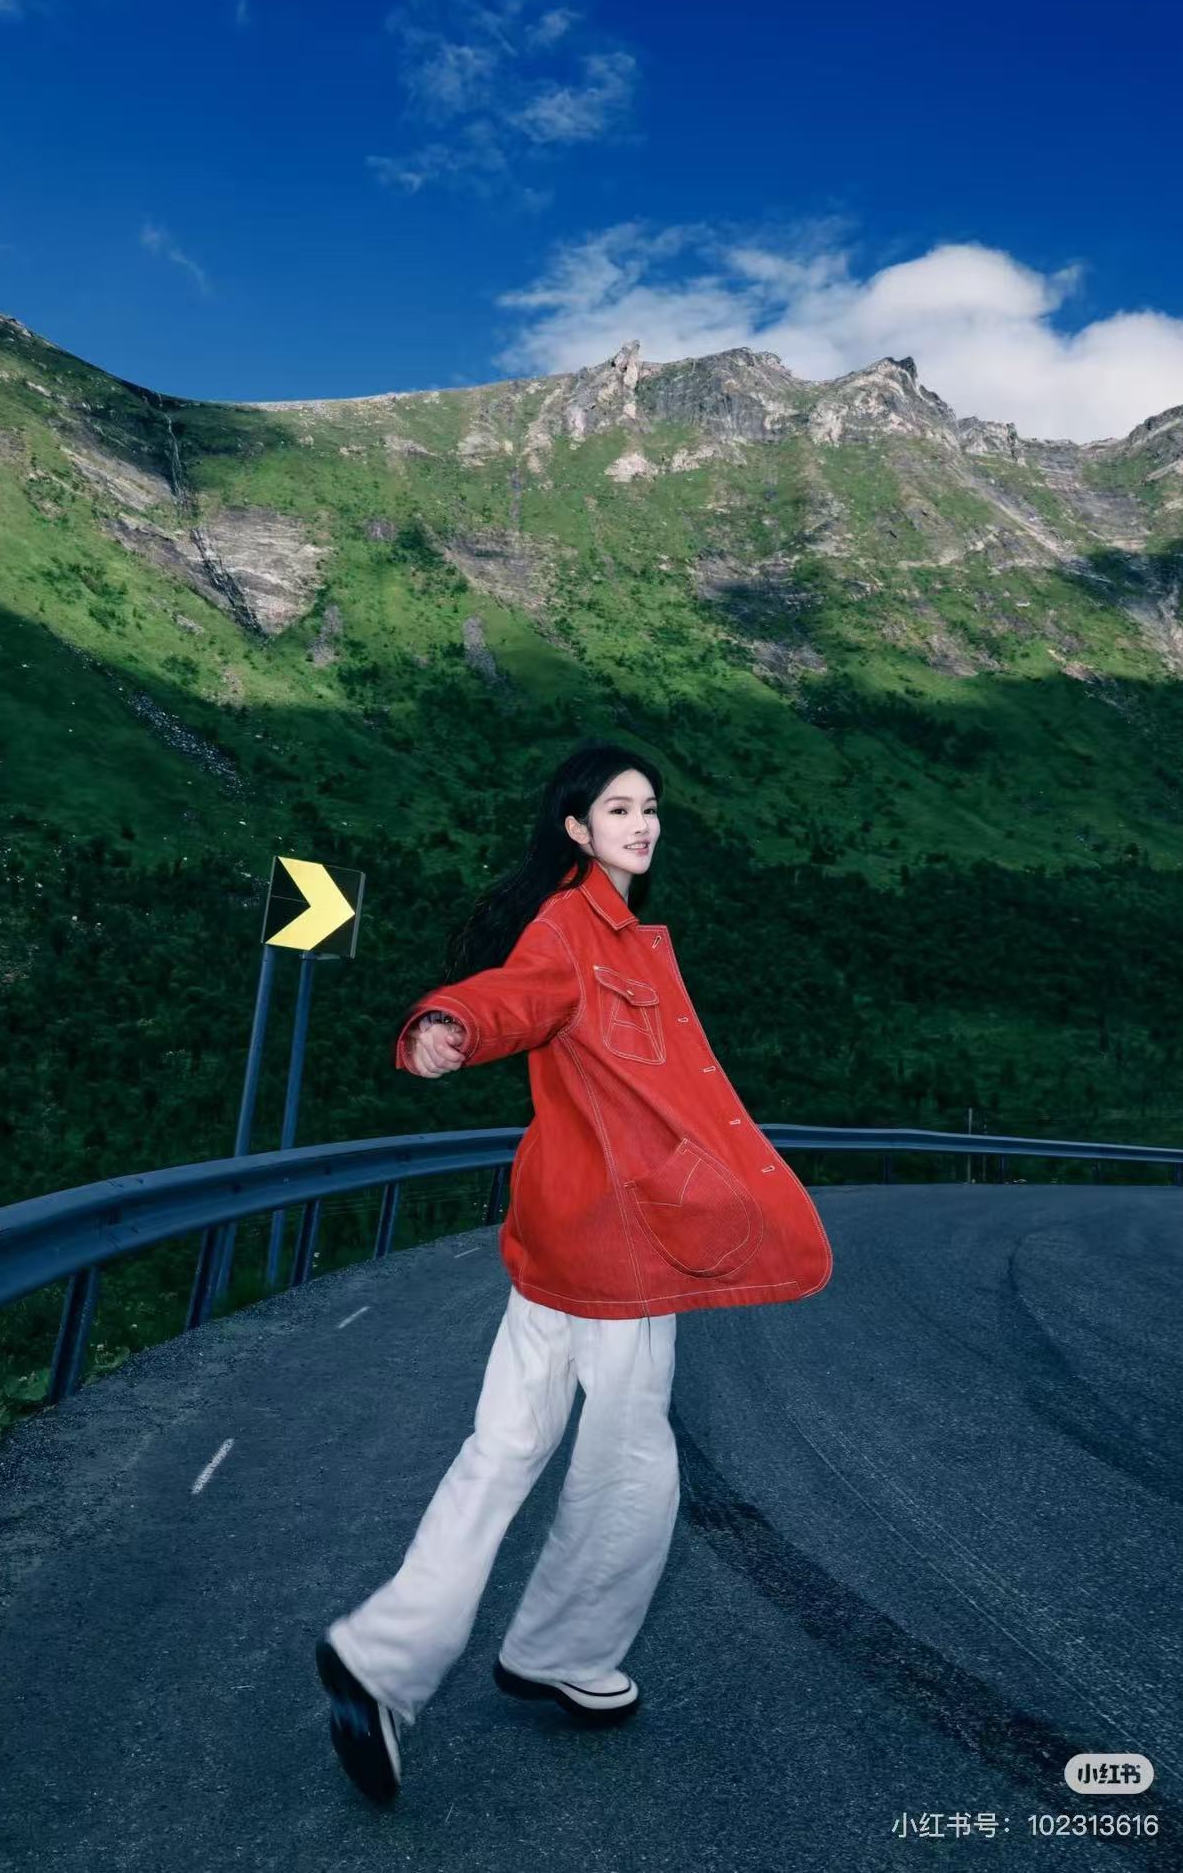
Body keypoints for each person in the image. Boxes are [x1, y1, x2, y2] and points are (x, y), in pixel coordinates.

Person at [315, 741, 833, 1802]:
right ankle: (563, 1652)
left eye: (650, 808)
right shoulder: (576, 932)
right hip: (619, 1248)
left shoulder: (617, 928)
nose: (641, 825)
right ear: (575, 826)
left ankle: (379, 1656)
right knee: (631, 1459)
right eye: (618, 809)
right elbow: (517, 995)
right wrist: (451, 1024)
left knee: (503, 1446)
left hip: (557, 1244)